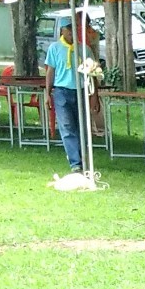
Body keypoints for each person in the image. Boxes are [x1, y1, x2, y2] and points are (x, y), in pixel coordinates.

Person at [44, 14, 90, 171]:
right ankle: (75, 163)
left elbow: (92, 72)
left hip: (80, 91)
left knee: (81, 126)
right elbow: (50, 71)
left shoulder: (84, 49)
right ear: (62, 30)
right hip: (61, 92)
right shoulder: (54, 48)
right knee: (67, 126)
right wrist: (47, 93)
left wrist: (94, 95)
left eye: (74, 28)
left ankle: (82, 157)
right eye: (68, 28)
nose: (72, 32)